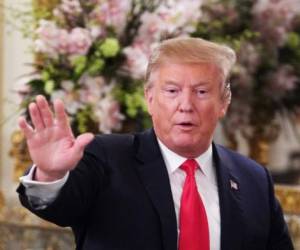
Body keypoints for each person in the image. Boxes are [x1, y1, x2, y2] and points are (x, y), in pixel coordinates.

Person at [17, 37, 293, 250]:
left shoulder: (254, 178)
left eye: (201, 92)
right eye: (172, 91)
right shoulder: (106, 157)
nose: (186, 105)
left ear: (224, 102)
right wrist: (51, 175)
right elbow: (61, 208)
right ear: (149, 98)